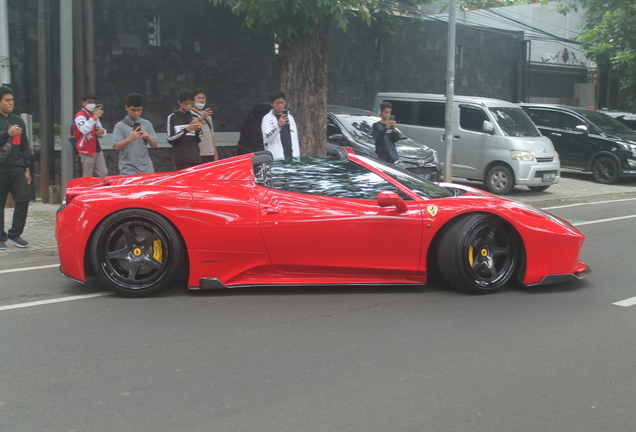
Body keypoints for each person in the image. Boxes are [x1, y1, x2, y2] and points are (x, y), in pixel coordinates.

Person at [0, 86, 31, 249]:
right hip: (1, 168)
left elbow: (24, 145)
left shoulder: (18, 120)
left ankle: (15, 234)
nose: (11, 103)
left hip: (17, 167)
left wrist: (27, 167)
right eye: (7, 100)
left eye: (12, 99)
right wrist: (7, 134)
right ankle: (0, 237)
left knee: (24, 198)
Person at [112, 93, 158, 175]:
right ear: (126, 108)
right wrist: (130, 139)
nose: (136, 113)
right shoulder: (120, 126)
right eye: (133, 110)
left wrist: (148, 138)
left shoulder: (147, 123)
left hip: (147, 167)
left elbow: (154, 145)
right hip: (128, 168)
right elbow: (116, 147)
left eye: (139, 110)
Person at [73, 92, 108, 177]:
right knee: (88, 175)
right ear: (83, 102)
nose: (92, 104)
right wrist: (94, 118)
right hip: (86, 149)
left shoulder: (93, 115)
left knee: (103, 173)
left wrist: (102, 131)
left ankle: (99, 189)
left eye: (94, 102)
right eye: (89, 102)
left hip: (97, 148)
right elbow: (84, 130)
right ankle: (86, 190)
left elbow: (101, 129)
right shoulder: (80, 115)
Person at [167, 91, 202, 170]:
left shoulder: (194, 116)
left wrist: (198, 129)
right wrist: (186, 130)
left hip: (195, 157)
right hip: (181, 158)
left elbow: (199, 139)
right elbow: (170, 139)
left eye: (191, 104)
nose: (188, 106)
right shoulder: (173, 117)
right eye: (186, 104)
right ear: (179, 102)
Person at [261, 90, 299, 161]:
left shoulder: (290, 117)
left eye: (282, 102)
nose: (280, 105)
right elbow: (266, 139)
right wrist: (278, 126)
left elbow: (294, 138)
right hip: (277, 158)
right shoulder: (267, 119)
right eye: (277, 103)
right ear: (271, 103)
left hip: (292, 158)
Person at [191, 89, 218, 164]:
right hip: (198, 152)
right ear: (193, 100)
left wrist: (215, 153)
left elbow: (211, 135)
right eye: (199, 98)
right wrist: (202, 117)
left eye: (203, 98)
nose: (201, 101)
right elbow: (193, 128)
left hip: (210, 152)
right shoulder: (190, 113)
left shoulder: (208, 115)